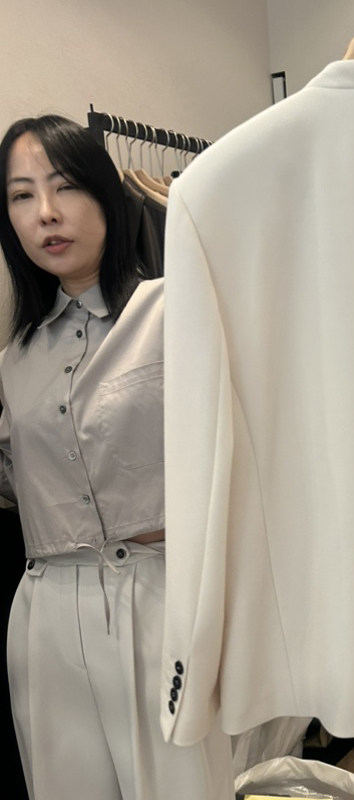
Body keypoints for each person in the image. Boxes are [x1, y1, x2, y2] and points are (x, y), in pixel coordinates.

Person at [0, 114, 233, 799]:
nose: (46, 213)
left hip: (159, 598)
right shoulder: (13, 360)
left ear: (105, 194)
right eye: (21, 195)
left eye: (65, 186)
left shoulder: (178, 310)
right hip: (45, 611)